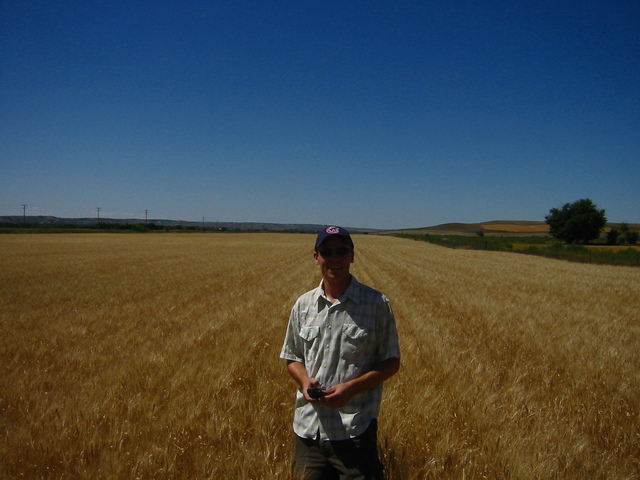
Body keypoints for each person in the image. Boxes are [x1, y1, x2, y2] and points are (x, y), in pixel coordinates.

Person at [280, 226, 401, 480]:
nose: (334, 258)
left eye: (341, 251)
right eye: (327, 251)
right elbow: (292, 357)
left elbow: (391, 362)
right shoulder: (303, 305)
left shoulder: (376, 304)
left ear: (352, 256)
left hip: (353, 430)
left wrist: (351, 389)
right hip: (308, 432)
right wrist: (304, 381)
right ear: (317, 257)